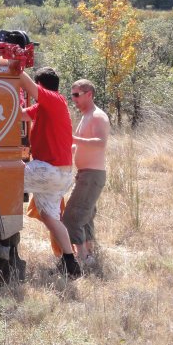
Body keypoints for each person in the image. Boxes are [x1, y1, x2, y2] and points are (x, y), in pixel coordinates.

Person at [20, 67, 82, 277]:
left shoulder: (54, 100)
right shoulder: (44, 108)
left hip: (50, 170)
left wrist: (12, 65)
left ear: (41, 85)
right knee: (50, 217)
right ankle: (70, 263)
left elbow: (27, 85)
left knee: (5, 174)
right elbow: (20, 115)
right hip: (60, 175)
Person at [64, 79, 110, 265]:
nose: (73, 99)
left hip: (92, 175)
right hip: (86, 174)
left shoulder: (98, 116)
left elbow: (100, 142)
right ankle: (89, 254)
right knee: (86, 216)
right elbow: (79, 144)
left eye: (76, 95)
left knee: (71, 218)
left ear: (88, 94)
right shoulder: (87, 115)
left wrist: (72, 138)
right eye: (72, 94)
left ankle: (82, 258)